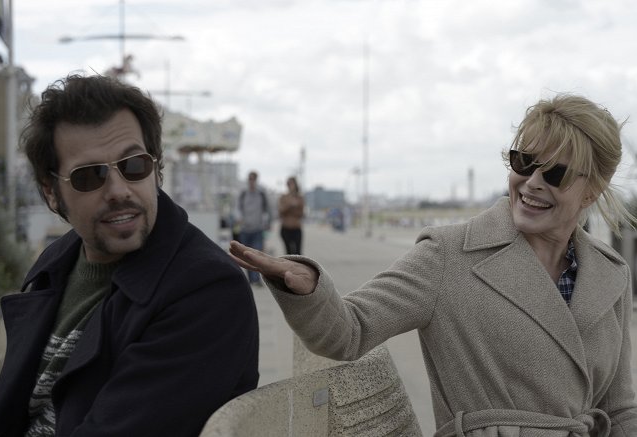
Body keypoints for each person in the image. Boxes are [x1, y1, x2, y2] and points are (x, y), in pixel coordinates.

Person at [231, 94, 637, 436]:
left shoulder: (610, 273)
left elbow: (620, 409)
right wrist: (307, 288)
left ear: (592, 191)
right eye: (523, 162)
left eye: (557, 174)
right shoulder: (449, 255)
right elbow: (348, 332)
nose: (532, 183)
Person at [0, 74, 259, 437]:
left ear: (156, 170)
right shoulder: (56, 264)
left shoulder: (207, 292)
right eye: (89, 176)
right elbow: (8, 410)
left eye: (134, 165)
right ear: (51, 193)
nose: (119, 190)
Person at [237, 170, 272, 285]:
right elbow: (238, 208)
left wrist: (266, 223)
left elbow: (267, 210)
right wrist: (239, 218)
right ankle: (250, 279)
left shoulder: (261, 193)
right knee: (246, 255)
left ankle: (256, 279)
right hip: (245, 229)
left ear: (256, 180)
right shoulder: (243, 194)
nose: (251, 181)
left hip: (258, 229)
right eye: (250, 179)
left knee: (256, 254)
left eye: (253, 179)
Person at [278, 176, 305, 255]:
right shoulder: (284, 197)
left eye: (292, 184)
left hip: (296, 228)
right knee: (288, 252)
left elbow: (301, 213)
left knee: (298, 252)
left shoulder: (299, 198)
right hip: (285, 228)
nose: (290, 186)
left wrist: (296, 205)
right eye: (288, 184)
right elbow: (280, 212)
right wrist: (290, 205)